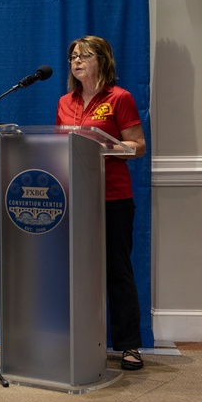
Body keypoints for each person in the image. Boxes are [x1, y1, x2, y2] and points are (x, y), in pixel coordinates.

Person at [55, 35, 147, 371]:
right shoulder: (66, 101)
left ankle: (128, 347)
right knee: (75, 272)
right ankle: (76, 339)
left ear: (102, 60)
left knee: (117, 272)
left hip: (113, 197)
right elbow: (59, 148)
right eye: (73, 57)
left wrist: (106, 147)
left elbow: (138, 146)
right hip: (75, 197)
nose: (76, 61)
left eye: (84, 55)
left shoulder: (119, 98)